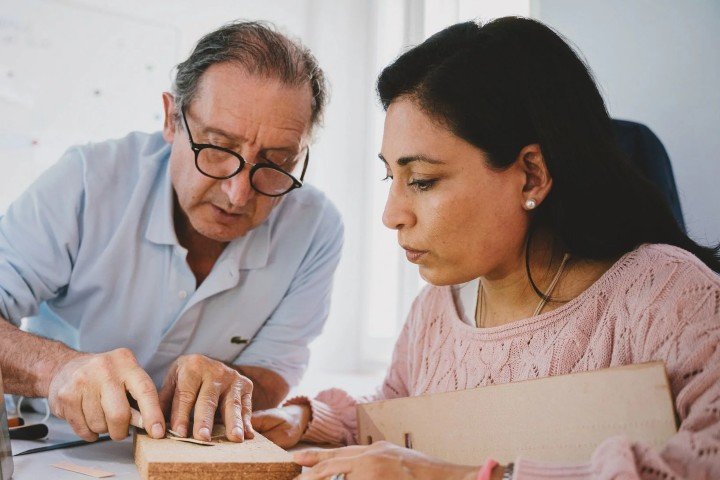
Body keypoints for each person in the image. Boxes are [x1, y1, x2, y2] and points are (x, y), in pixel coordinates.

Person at [250, 17, 720, 480]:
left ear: (531, 174)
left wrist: (449, 476)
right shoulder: (438, 308)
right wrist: (308, 422)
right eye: (390, 178)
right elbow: (393, 417)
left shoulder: (673, 298)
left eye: (422, 181)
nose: (392, 214)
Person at [0, 21, 343, 444]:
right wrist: (58, 369)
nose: (238, 194)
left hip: (196, 449)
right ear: (171, 119)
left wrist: (228, 381)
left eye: (276, 161)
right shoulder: (86, 182)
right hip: (50, 441)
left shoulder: (315, 228)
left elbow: (272, 371)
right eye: (218, 149)